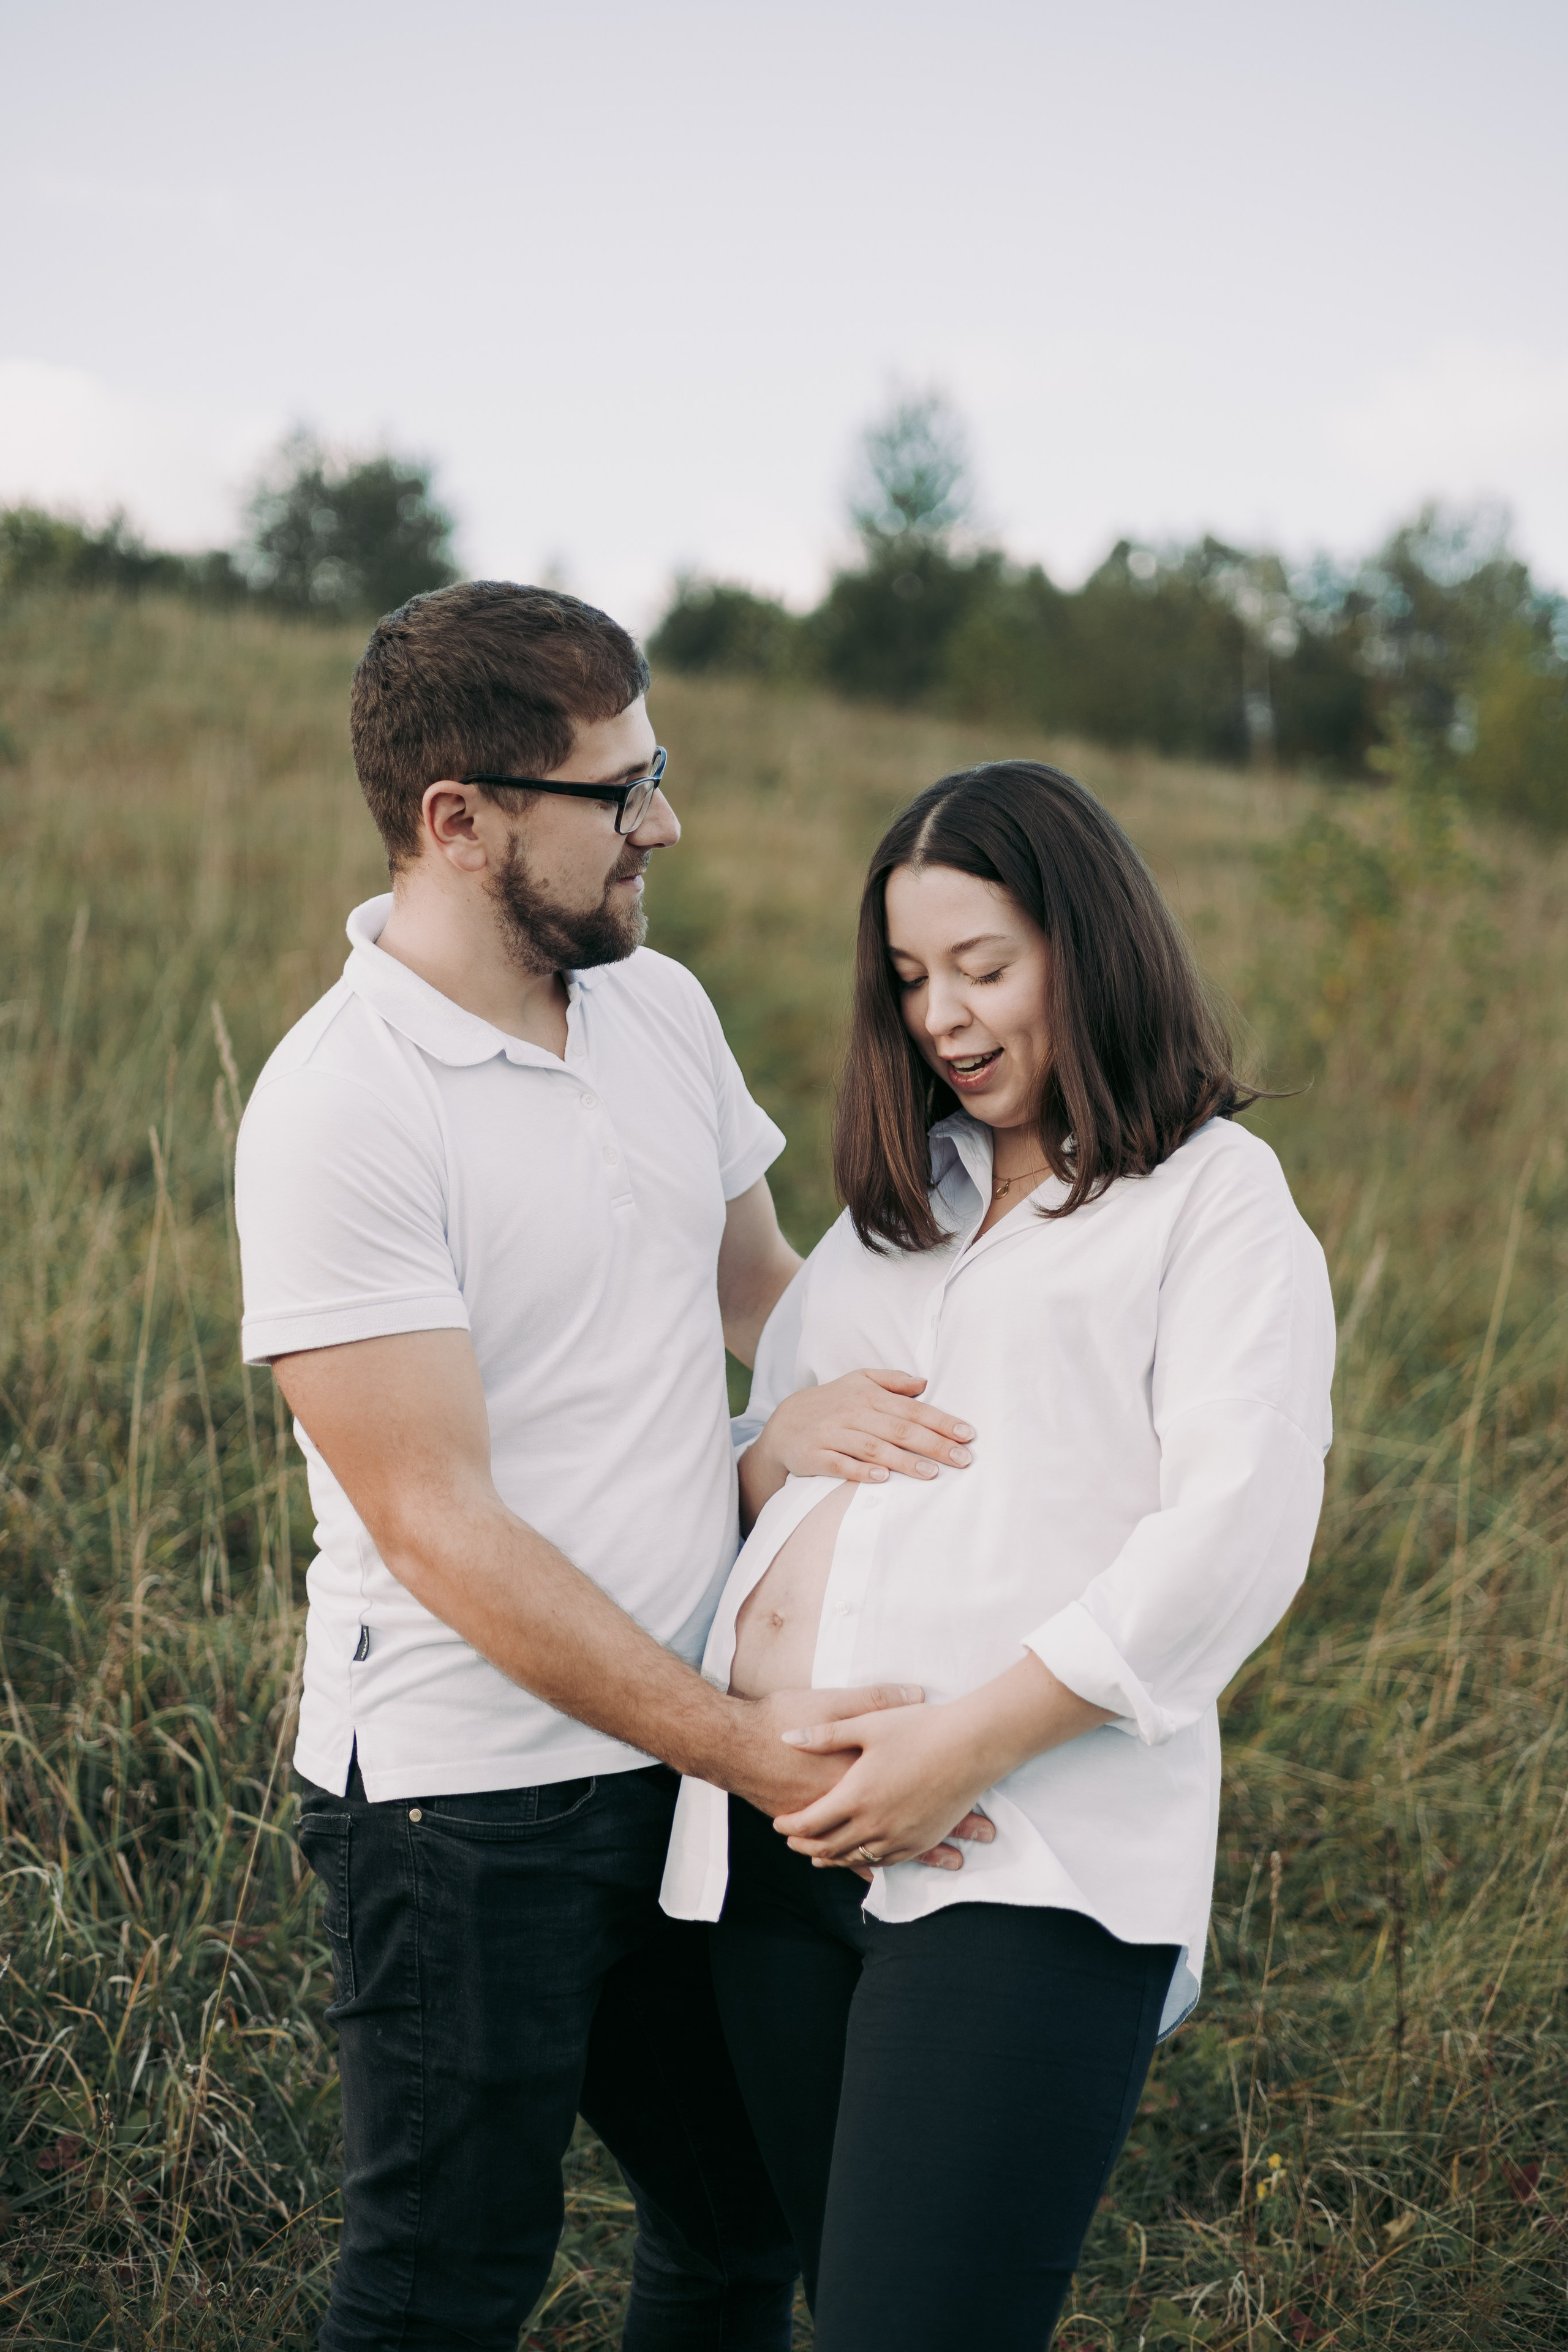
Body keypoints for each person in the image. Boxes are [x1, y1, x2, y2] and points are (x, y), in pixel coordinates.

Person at [233, 581, 980, 2352]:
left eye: (661, 766)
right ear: (459, 820)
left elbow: (758, 1298)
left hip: (691, 1767)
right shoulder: (343, 1108)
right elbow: (441, 1529)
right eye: (619, 790)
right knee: (441, 2285)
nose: (665, 819)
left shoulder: (657, 1008)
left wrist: (811, 1435)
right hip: (465, 1805)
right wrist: (752, 1749)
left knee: (740, 2224)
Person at [662, 760, 1336, 2351]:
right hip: (776, 1841)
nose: (945, 1018)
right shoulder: (899, 1209)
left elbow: (1240, 1535)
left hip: (1017, 1859)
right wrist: (776, 1441)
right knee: (851, 2299)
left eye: (982, 966)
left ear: (1084, 943)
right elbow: (754, 1470)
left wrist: (956, 1747)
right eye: (910, 982)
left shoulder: (1211, 1203)